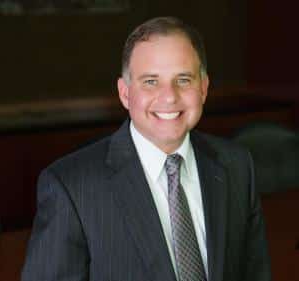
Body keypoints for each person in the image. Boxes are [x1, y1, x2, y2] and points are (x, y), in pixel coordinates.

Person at [21, 17, 271, 281]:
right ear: (125, 93)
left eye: (183, 79)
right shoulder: (71, 187)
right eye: (151, 81)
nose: (169, 96)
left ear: (204, 88)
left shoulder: (236, 165)